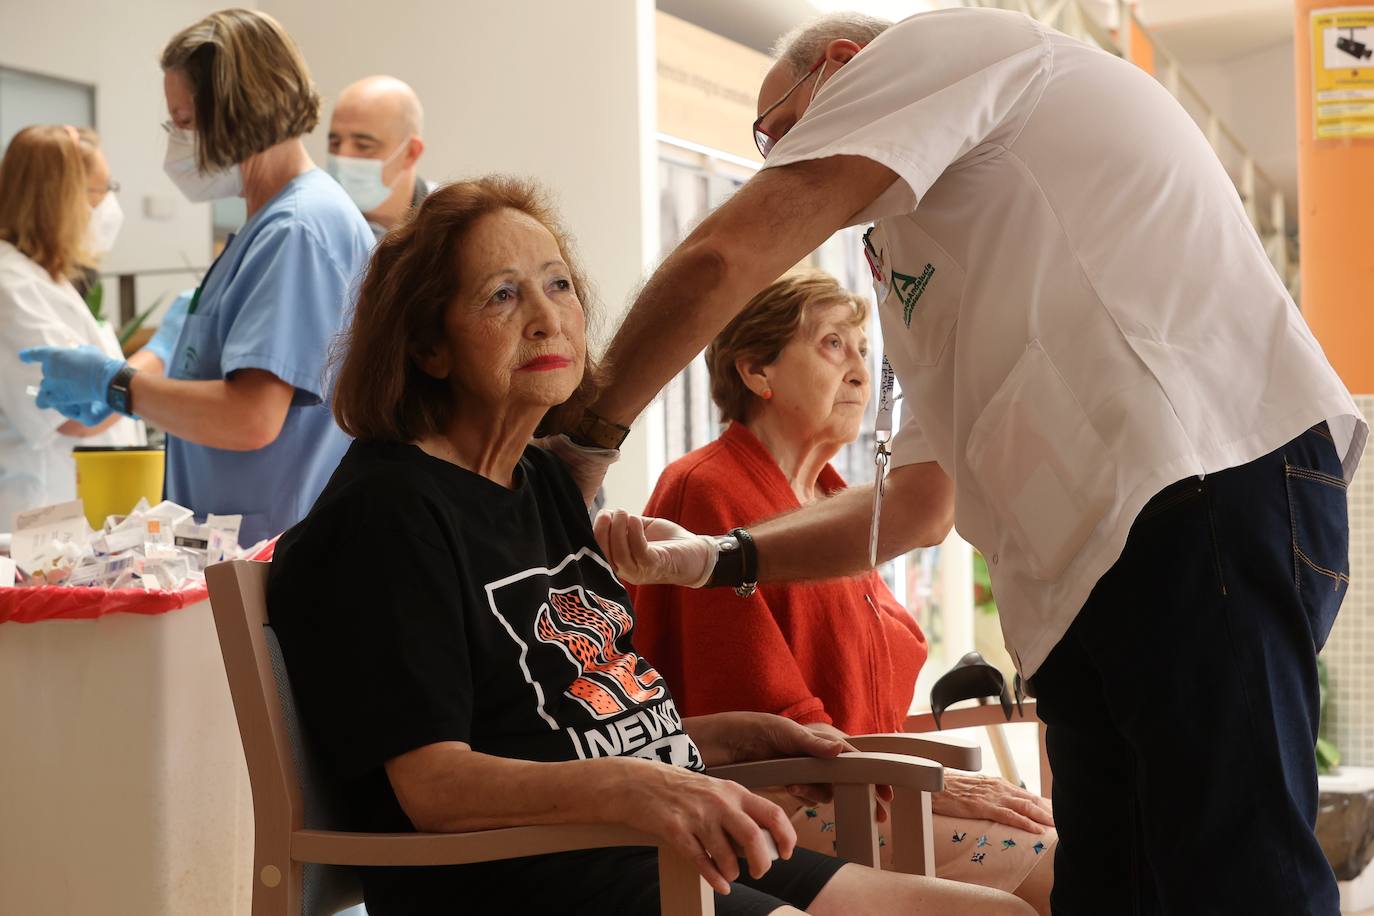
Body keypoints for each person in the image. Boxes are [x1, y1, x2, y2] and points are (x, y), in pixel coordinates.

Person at [573, 9, 1365, 915]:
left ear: (841, 67)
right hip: (1091, 572)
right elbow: (916, 507)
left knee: (1234, 880)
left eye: (780, 134)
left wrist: (584, 438)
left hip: (1194, 483)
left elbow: (727, 255)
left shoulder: (936, 53)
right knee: (1115, 891)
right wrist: (717, 558)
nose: (784, 168)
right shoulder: (918, 234)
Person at [268, 177, 1032, 916]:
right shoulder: (387, 514)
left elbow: (556, 731)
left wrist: (713, 738)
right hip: (528, 877)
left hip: (651, 848)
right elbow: (436, 786)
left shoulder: (539, 484)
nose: (547, 319)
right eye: (503, 295)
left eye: (558, 286)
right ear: (430, 347)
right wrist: (636, 787)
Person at [630, 271, 1054, 913]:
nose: (861, 370)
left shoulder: (833, 505)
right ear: (756, 372)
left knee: (1083, 836)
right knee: (1069, 862)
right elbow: (759, 717)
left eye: (864, 347)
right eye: (833, 344)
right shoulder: (706, 487)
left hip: (868, 785)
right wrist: (934, 785)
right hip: (781, 799)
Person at [22, 8, 374, 546]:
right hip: (241, 545)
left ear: (240, 111)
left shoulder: (300, 229)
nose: (177, 139)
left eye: (185, 120)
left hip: (277, 551)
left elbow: (251, 418)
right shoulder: (269, 225)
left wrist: (116, 385)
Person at [0, 125, 144, 527]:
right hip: (43, 510)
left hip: (74, 509)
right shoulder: (10, 285)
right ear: (62, 198)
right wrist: (155, 368)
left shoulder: (46, 278)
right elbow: (73, 417)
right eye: (101, 190)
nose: (108, 205)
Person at [327, 75, 432, 239]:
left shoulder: (453, 228)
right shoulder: (315, 226)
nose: (342, 156)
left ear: (411, 152)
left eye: (363, 146)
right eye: (335, 143)